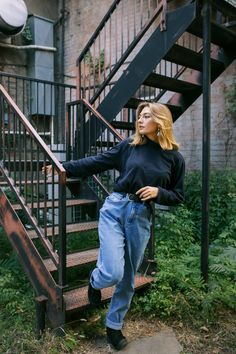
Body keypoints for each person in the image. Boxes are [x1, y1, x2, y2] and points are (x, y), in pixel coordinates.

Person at [43, 102, 185, 351]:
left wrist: (158, 192)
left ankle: (113, 326)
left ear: (161, 121)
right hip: (115, 210)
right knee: (112, 272)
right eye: (140, 116)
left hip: (140, 217)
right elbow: (97, 162)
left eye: (147, 116)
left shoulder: (174, 158)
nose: (140, 120)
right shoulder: (129, 147)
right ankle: (95, 280)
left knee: (128, 278)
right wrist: (63, 168)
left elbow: (178, 195)